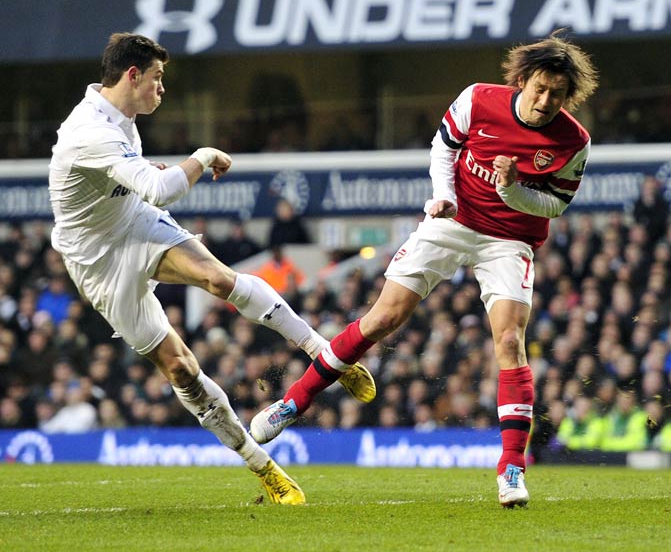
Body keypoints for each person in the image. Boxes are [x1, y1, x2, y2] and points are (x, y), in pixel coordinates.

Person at [250, 31, 599, 508]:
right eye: (539, 88)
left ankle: (512, 469)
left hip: (510, 239)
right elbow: (444, 148)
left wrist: (513, 190)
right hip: (452, 220)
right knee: (383, 319)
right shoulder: (478, 100)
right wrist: (446, 196)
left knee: (510, 340)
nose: (545, 101)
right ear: (521, 80)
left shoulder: (573, 141)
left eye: (557, 95)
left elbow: (554, 206)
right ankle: (294, 402)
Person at [47, 33, 376, 505]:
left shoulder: (123, 116)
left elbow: (134, 186)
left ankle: (326, 356)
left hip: (135, 223)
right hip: (97, 262)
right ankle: (262, 466)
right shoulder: (89, 131)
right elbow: (159, 189)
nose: (162, 89)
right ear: (132, 75)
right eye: (158, 78)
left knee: (219, 278)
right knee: (181, 369)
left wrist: (144, 173)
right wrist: (201, 156)